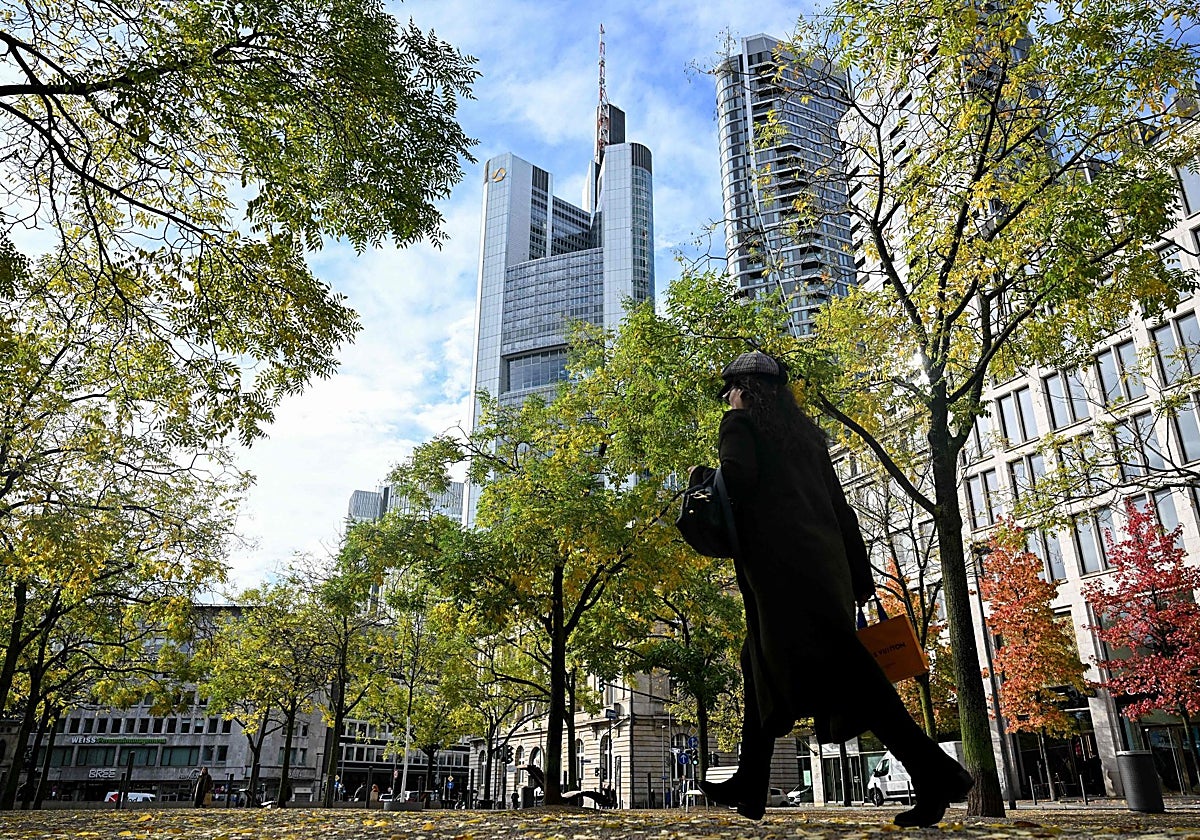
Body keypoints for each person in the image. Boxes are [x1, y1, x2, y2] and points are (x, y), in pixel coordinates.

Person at [692, 351, 973, 827]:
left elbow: (738, 480)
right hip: (826, 572)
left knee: (857, 681)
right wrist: (860, 577)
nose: (729, 398)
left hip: (782, 577)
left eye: (732, 390)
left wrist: (706, 476)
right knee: (756, 661)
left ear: (743, 389)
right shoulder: (806, 436)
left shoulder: (739, 424)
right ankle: (752, 782)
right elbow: (842, 510)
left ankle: (936, 773)